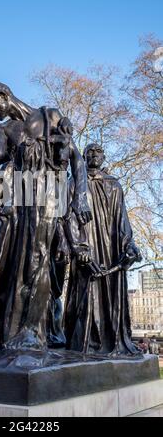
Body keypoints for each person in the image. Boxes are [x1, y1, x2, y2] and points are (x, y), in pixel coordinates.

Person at [0, 82, 92, 360]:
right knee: (8, 265)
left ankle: (31, 331)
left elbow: (76, 158)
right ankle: (9, 333)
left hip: (48, 196)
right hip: (17, 200)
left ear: (5, 96)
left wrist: (80, 195)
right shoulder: (5, 129)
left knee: (37, 261)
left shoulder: (48, 116)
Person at [64, 143, 142, 356]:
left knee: (112, 297)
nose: (94, 155)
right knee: (86, 297)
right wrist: (79, 247)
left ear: (104, 156)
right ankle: (85, 343)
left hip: (112, 251)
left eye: (98, 151)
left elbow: (122, 218)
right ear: (84, 157)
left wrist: (129, 245)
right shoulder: (74, 183)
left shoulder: (114, 185)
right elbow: (68, 217)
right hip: (87, 250)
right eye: (89, 152)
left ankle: (114, 341)